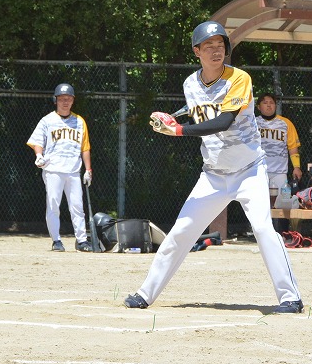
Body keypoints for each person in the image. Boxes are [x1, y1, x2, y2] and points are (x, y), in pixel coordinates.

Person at [124, 20, 303, 313]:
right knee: (182, 230)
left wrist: (178, 130)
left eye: (220, 45)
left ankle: (290, 298)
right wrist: (176, 121)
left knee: (263, 229)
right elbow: (201, 113)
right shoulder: (190, 84)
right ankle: (145, 293)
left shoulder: (239, 78)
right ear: (197, 51)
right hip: (213, 175)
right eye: (208, 46)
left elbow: (224, 121)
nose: (216, 50)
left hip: (249, 170)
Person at [27, 83, 93, 253]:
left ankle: (82, 240)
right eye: (62, 98)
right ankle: (56, 240)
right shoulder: (47, 120)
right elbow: (37, 141)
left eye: (69, 98)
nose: (65, 102)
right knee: (53, 205)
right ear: (55, 100)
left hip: (73, 170)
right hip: (53, 169)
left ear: (73, 101)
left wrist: (88, 170)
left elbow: (85, 147)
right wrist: (38, 155)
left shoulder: (80, 121)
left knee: (77, 206)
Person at [256, 92, 302, 231]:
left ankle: (283, 233)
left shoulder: (285, 123)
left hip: (279, 172)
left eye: (271, 102)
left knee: (284, 202)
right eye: (265, 103)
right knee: (260, 203)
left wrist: (296, 167)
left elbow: (292, 147)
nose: (269, 105)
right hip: (258, 170)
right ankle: (262, 232)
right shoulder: (253, 123)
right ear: (258, 107)